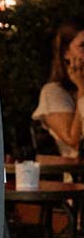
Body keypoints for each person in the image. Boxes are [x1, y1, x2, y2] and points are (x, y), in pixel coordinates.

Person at [32, 23, 84, 156]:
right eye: (82, 46)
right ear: (66, 52)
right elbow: (73, 140)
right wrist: (82, 90)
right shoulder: (53, 92)